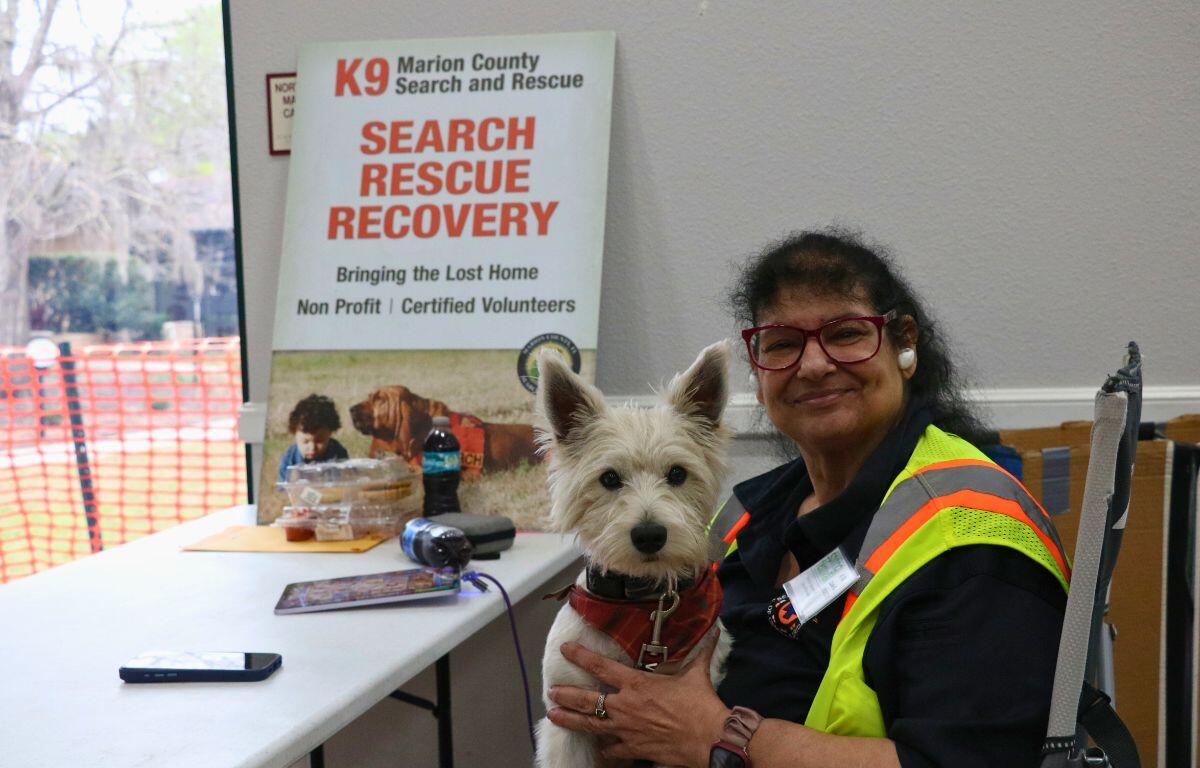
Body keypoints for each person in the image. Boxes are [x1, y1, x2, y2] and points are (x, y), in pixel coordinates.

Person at [544, 229, 1069, 767]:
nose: (813, 364)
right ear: (758, 368)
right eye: (783, 343)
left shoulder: (973, 542)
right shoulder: (754, 513)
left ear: (904, 342)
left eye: (845, 333)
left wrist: (713, 737)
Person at [277, 394, 350, 482]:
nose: (312, 447)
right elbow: (283, 492)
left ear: (330, 433)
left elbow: (345, 483)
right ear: (294, 434)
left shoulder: (338, 453)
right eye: (305, 441)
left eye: (319, 441)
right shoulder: (290, 459)